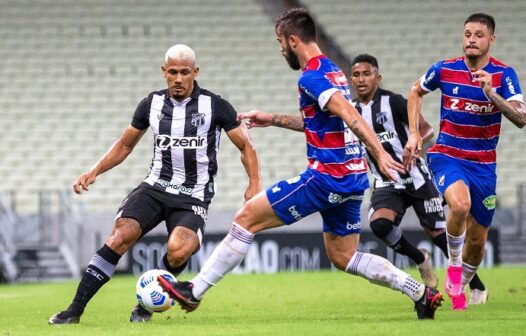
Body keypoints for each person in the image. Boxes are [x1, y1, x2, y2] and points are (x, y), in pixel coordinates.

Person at [158, 8, 443, 320]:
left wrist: (381, 153)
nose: (280, 48)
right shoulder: (332, 70)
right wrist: (273, 119)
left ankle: (194, 291)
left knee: (246, 218)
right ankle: (420, 292)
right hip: (353, 177)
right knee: (343, 255)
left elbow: (351, 115)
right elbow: (323, 121)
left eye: (280, 41)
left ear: (293, 40)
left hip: (326, 177)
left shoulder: (311, 76)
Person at [48, 44, 262, 324]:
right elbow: (125, 145)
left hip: (193, 196)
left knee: (178, 250)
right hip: (154, 188)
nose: (178, 79)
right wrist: (94, 171)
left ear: (195, 72)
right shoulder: (151, 104)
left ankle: (145, 307)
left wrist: (254, 184)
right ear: (164, 72)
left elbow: (246, 147)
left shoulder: (215, 106)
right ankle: (74, 310)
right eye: (172, 72)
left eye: (184, 72)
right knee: (119, 237)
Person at [405, 13, 525, 310]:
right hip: (448, 155)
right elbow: (414, 91)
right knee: (460, 205)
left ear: (491, 40)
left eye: (479, 34)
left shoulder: (503, 75)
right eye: (468, 33)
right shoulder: (445, 69)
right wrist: (413, 134)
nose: (472, 39)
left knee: (477, 242)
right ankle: (455, 269)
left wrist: (491, 94)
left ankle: (463, 278)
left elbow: (521, 118)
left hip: (484, 165)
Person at [350, 54, 487, 299]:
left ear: (377, 78)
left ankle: (476, 285)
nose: (361, 79)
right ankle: (419, 259)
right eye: (356, 75)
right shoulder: (351, 111)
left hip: (417, 177)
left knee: (439, 236)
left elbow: (427, 130)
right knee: (380, 224)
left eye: (366, 74)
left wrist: (415, 144)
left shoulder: (393, 102)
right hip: (387, 181)